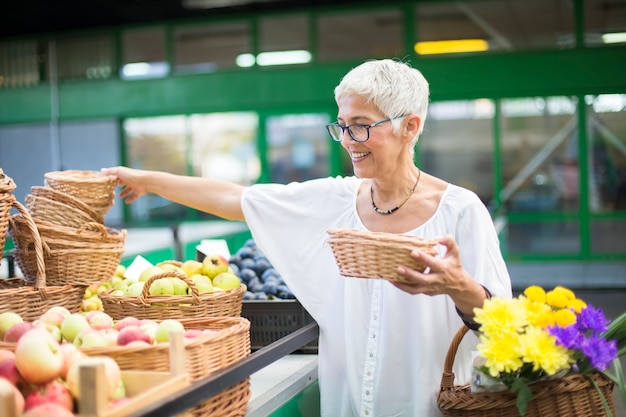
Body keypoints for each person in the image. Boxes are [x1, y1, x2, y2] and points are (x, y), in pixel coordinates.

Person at [102, 58, 512, 416]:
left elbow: (504, 329)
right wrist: (147, 180)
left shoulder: (460, 211)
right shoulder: (332, 201)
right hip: (347, 406)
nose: (349, 141)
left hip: (431, 408)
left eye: (363, 126)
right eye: (343, 126)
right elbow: (235, 198)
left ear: (410, 126)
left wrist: (460, 287)